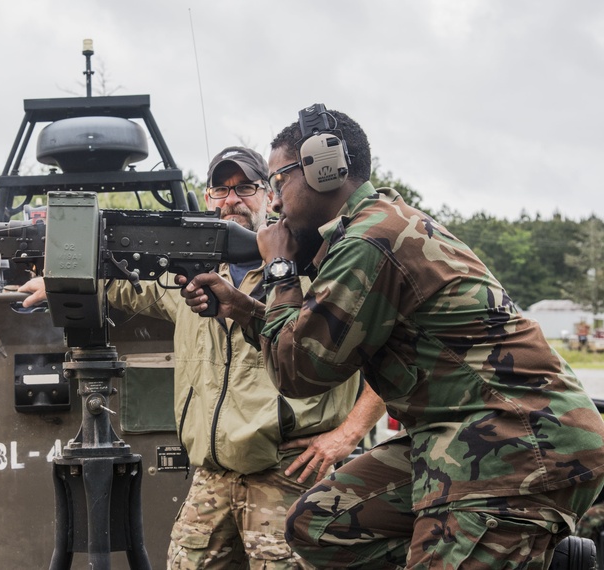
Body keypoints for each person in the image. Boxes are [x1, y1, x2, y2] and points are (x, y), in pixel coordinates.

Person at [180, 108, 604, 568]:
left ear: (325, 170)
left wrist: (279, 268)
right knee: (319, 524)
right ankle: (514, 550)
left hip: (518, 443)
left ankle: (514, 541)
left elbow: (299, 371)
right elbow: (311, 342)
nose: (276, 202)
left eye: (280, 180)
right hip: (455, 433)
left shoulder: (371, 240)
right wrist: (246, 310)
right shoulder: (365, 230)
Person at [20, 146, 386, 569]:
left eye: (246, 187)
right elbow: (121, 283)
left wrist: (347, 435)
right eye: (220, 189)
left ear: (271, 195)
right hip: (211, 475)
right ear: (207, 198)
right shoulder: (184, 271)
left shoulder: (310, 267)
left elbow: (385, 350)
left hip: (288, 475)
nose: (232, 199)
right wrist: (59, 280)